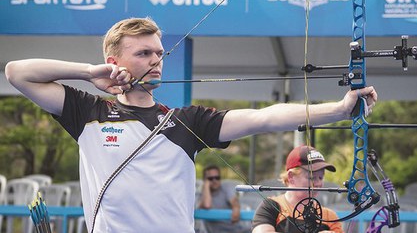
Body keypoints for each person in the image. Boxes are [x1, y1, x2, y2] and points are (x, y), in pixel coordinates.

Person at [5, 17, 377, 233]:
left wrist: (340, 109)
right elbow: (17, 73)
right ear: (113, 60)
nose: (156, 60)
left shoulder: (186, 122)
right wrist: (88, 73)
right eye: (143, 53)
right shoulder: (87, 112)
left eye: (158, 52)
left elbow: (265, 117)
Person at [252, 145, 343, 233]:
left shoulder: (329, 216)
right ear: (291, 177)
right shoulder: (271, 206)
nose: (319, 183)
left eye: (320, 178)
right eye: (311, 178)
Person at [197, 165, 249, 233]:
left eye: (217, 177)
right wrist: (206, 186)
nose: (214, 180)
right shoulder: (201, 194)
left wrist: (236, 208)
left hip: (236, 230)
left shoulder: (225, 187)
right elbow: (207, 205)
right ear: (205, 180)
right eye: (210, 178)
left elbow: (234, 202)